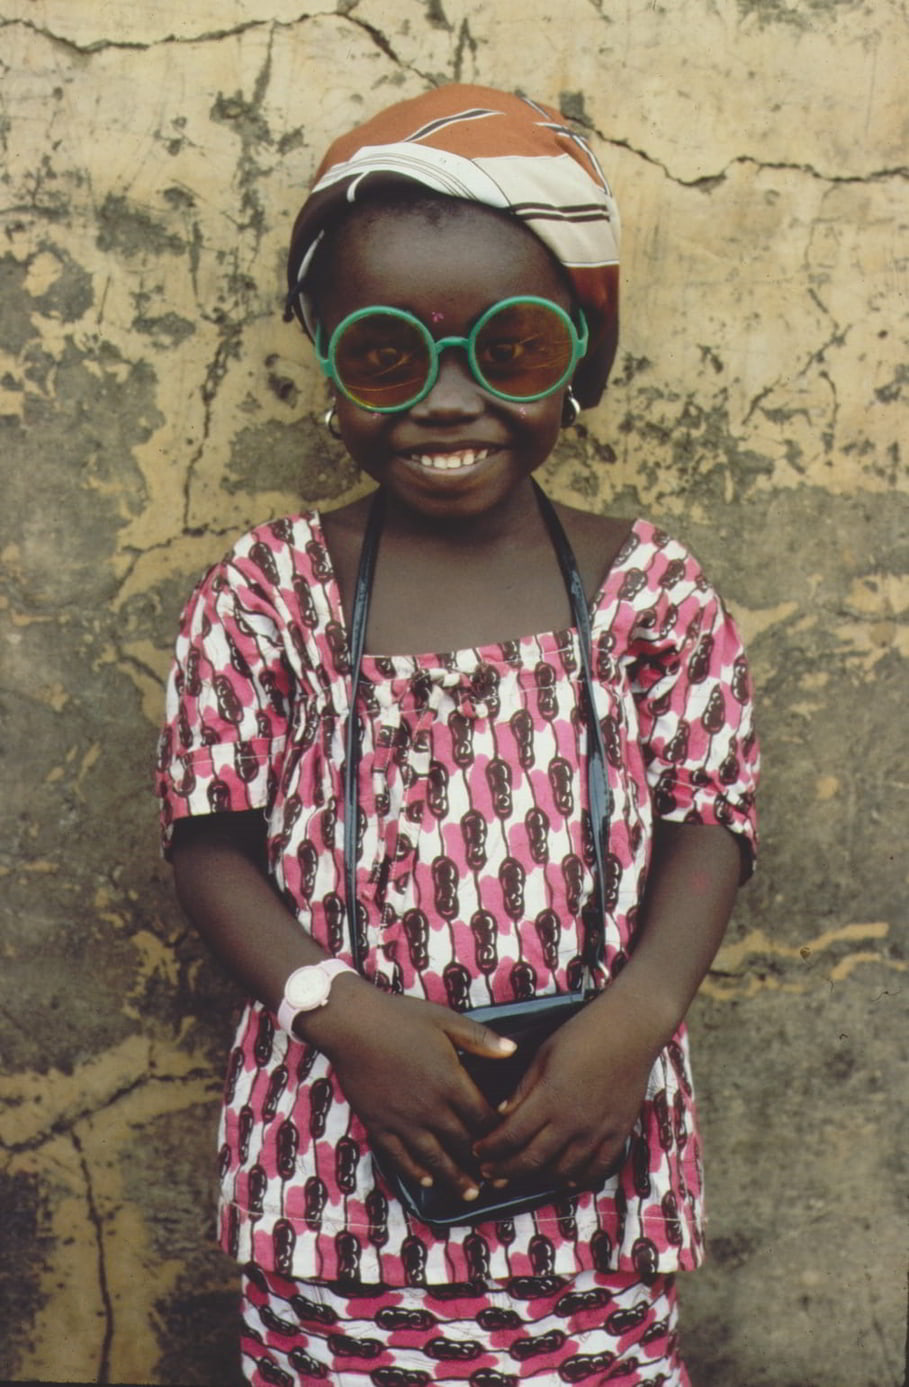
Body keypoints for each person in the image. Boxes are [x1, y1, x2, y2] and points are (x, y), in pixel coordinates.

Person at [157, 84, 759, 1387]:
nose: (446, 398)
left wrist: (634, 1022)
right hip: (336, 1183)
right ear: (327, 359)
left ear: (582, 360)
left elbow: (713, 814)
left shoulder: (652, 590)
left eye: (511, 348)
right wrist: (340, 1013)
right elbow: (209, 837)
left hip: (586, 1153)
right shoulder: (266, 592)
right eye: (386, 354)